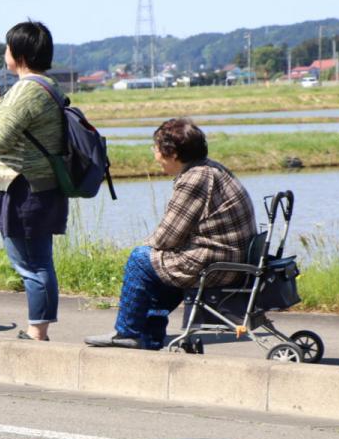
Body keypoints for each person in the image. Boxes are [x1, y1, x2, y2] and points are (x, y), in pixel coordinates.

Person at [86, 119, 256, 349]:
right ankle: (150, 334)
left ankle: (126, 331)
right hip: (228, 258)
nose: (155, 155)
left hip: (217, 264)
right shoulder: (210, 168)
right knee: (159, 266)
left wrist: (145, 249)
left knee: (140, 259)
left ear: (172, 153)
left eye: (156, 149)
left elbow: (167, 237)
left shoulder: (194, 179)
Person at [0, 21, 69, 342]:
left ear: (20, 53)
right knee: (36, 260)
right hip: (35, 185)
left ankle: (37, 332)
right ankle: (39, 328)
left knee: (31, 262)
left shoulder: (28, 89)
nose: (5, 53)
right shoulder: (43, 86)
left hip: (24, 187)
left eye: (7, 48)